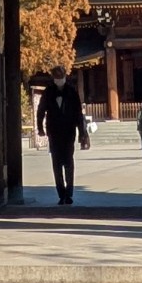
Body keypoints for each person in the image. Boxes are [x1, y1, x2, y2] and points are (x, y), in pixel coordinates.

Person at [36, 66, 90, 205]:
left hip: (68, 130)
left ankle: (69, 192)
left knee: (69, 162)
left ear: (65, 77)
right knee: (56, 163)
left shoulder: (72, 92)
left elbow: (78, 114)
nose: (59, 80)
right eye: (57, 78)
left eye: (61, 77)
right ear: (54, 78)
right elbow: (41, 111)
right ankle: (61, 193)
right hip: (53, 131)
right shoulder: (48, 92)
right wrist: (40, 128)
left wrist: (82, 132)